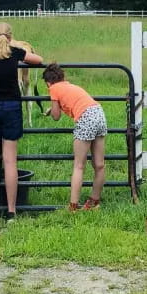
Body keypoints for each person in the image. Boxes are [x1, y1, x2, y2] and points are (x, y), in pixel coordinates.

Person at [0, 22, 43, 225]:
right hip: (11, 108)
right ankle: (12, 212)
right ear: (11, 36)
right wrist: (19, 49)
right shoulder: (15, 52)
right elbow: (39, 60)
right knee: (10, 161)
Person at [43, 62, 107, 212]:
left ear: (48, 82)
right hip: (98, 112)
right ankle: (94, 202)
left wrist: (51, 109)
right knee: (99, 164)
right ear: (62, 77)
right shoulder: (70, 86)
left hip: (85, 118)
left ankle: (73, 206)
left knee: (79, 165)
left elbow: (56, 116)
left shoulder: (53, 89)